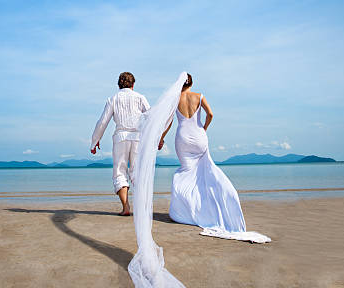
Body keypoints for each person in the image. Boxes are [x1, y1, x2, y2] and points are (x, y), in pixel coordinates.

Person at [158, 73, 270, 243]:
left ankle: (186, 211)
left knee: (186, 173)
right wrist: (203, 128)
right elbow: (210, 114)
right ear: (192, 83)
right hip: (199, 136)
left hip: (182, 138)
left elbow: (169, 122)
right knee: (207, 172)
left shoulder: (175, 99)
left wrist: (161, 138)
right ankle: (211, 205)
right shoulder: (199, 96)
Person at [90, 72, 150, 216]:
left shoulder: (113, 99)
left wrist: (95, 141)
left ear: (118, 85)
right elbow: (151, 117)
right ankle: (142, 208)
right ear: (133, 84)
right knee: (137, 172)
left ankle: (126, 207)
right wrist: (157, 138)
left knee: (119, 172)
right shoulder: (140, 97)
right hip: (137, 138)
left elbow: (103, 121)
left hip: (120, 138)